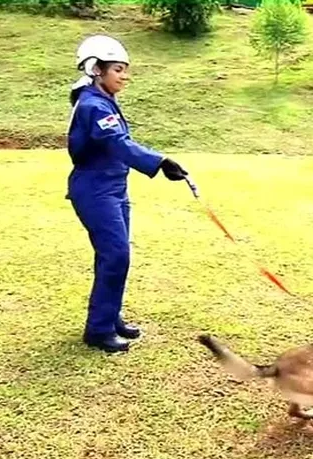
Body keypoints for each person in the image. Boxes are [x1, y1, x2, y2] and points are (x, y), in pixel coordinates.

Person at [66, 35, 189, 353]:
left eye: (125, 69)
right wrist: (159, 162)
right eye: (118, 70)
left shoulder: (103, 99)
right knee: (116, 255)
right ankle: (98, 331)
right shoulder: (94, 105)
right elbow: (117, 143)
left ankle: (109, 317)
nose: (125, 76)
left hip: (114, 189)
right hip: (96, 192)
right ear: (96, 69)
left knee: (115, 256)